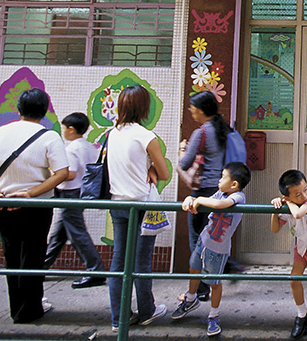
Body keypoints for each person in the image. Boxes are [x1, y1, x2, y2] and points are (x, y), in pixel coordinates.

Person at [0, 88, 69, 323]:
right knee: (33, 257)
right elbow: (62, 173)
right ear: (44, 111)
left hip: (3, 204)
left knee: (12, 256)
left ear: (19, 110)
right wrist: (31, 193)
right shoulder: (49, 137)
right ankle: (30, 309)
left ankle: (17, 309)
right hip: (37, 207)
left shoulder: (0, 133)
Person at [106, 85, 170, 332]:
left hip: (118, 203)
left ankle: (118, 317)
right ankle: (147, 311)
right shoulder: (146, 136)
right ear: (144, 107)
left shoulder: (112, 134)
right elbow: (164, 173)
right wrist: (152, 168)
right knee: (141, 261)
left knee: (119, 261)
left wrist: (148, 167)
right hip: (142, 204)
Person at [171, 161, 251, 337]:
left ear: (234, 184)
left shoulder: (238, 197)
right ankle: (190, 299)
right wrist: (191, 199)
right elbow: (208, 201)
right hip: (203, 241)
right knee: (194, 269)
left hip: (218, 250)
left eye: (223, 177)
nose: (219, 180)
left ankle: (213, 315)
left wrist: (199, 199)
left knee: (214, 283)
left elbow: (219, 205)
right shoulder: (221, 192)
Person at [178, 91, 235, 301]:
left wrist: (181, 150)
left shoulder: (200, 133)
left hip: (202, 193)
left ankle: (200, 288)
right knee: (212, 238)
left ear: (201, 110)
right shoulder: (224, 129)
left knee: (197, 240)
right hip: (220, 192)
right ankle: (217, 276)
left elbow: (185, 164)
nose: (191, 111)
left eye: (193, 108)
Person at [44, 112, 106, 289]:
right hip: (81, 192)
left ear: (71, 129)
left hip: (70, 193)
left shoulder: (71, 149)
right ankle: (41, 267)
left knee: (77, 234)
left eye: (64, 128)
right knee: (60, 233)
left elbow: (69, 174)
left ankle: (95, 271)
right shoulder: (88, 147)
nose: (63, 131)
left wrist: (51, 174)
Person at [270, 169, 307, 338]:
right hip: (303, 246)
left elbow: (297, 214)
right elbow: (275, 228)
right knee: (294, 279)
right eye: (297, 194)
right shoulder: (288, 203)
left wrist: (287, 202)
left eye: (304, 189)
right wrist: (275, 209)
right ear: (287, 195)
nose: (303, 195)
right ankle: (302, 315)